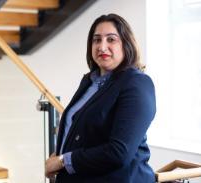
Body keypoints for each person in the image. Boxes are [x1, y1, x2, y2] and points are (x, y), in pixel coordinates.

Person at [45, 13, 156, 183]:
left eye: (111, 39)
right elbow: (86, 131)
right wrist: (60, 152)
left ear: (126, 44)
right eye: (96, 40)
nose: (102, 47)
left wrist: (62, 161)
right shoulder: (90, 81)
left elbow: (118, 152)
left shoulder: (137, 83)